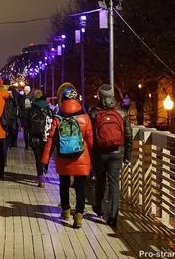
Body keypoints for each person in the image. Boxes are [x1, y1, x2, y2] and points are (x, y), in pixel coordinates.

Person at [41, 83, 93, 228]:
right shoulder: (84, 118)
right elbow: (90, 140)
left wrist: (45, 158)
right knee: (80, 187)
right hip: (81, 157)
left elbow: (50, 139)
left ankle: (66, 210)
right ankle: (79, 216)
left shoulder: (58, 118)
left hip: (63, 157)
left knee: (63, 184)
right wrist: (91, 157)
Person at [89, 84, 132, 227]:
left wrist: (90, 155)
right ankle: (113, 216)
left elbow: (90, 137)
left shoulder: (93, 112)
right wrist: (128, 155)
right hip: (117, 153)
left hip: (99, 153)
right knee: (114, 184)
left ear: (99, 96)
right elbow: (128, 136)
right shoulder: (122, 112)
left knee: (100, 181)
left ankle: (99, 209)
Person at [25, 90, 53, 187]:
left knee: (38, 158)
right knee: (46, 155)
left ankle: (41, 179)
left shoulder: (31, 109)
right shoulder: (48, 109)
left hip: (35, 136)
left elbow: (27, 124)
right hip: (46, 136)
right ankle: (45, 168)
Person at [19, 85, 34, 150]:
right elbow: (21, 106)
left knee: (30, 132)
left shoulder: (32, 97)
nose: (25, 92)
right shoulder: (22, 97)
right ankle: (26, 145)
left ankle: (30, 144)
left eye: (26, 90)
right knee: (25, 132)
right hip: (24, 117)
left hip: (30, 117)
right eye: (25, 90)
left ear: (29, 90)